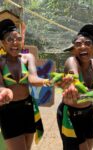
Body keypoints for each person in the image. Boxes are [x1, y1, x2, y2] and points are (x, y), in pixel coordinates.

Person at [0, 19, 71, 150]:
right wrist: (5, 92)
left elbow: (33, 78)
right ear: (3, 43)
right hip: (8, 113)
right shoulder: (0, 62)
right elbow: (1, 86)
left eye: (18, 39)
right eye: (10, 39)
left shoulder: (28, 58)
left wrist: (51, 81)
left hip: (27, 109)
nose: (15, 43)